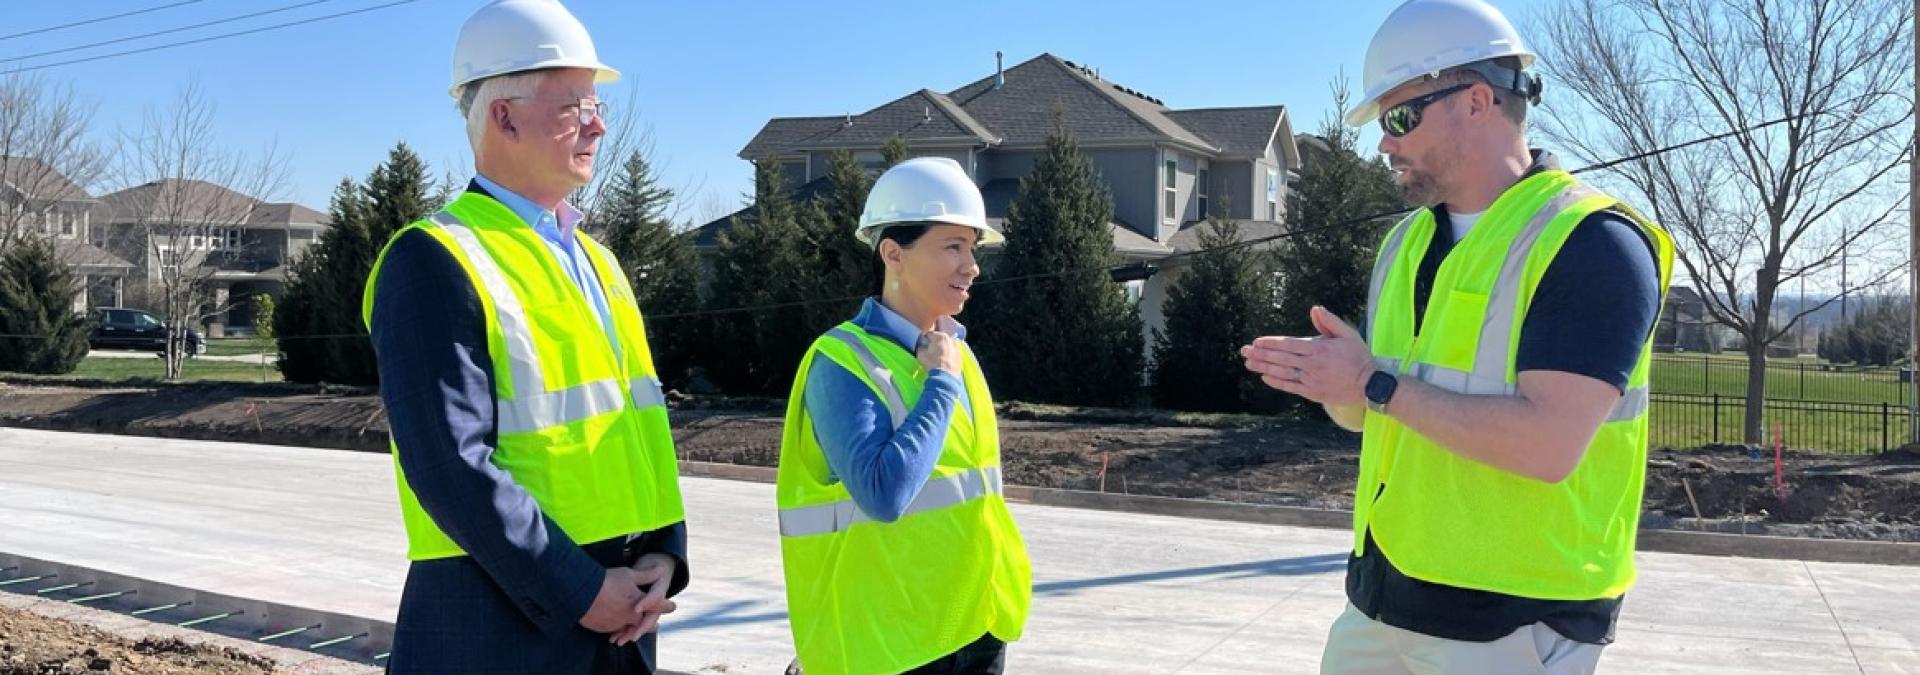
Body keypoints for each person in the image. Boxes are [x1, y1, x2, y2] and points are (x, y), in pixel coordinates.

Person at [1240, 1, 1673, 673]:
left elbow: (1549, 443)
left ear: (1477, 101)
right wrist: (1338, 384)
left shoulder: (1594, 245)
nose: (1385, 142)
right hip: (1380, 602)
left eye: (1399, 117)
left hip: (1513, 625)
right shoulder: (1405, 243)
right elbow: (1371, 414)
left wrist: (1372, 382)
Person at [362, 1, 688, 671]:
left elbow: (639, 426)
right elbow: (450, 467)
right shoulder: (431, 257)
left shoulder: (599, 261)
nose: (598, 124)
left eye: (599, 105)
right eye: (573, 106)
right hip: (497, 625)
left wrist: (664, 553)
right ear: (502, 115)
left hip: (619, 619)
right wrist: (580, 588)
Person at [774, 157, 1033, 675]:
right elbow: (884, 494)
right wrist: (940, 382)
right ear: (893, 253)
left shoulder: (958, 354)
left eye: (973, 248)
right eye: (952, 246)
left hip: (974, 626)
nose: (972, 266)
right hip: (887, 646)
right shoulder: (842, 362)